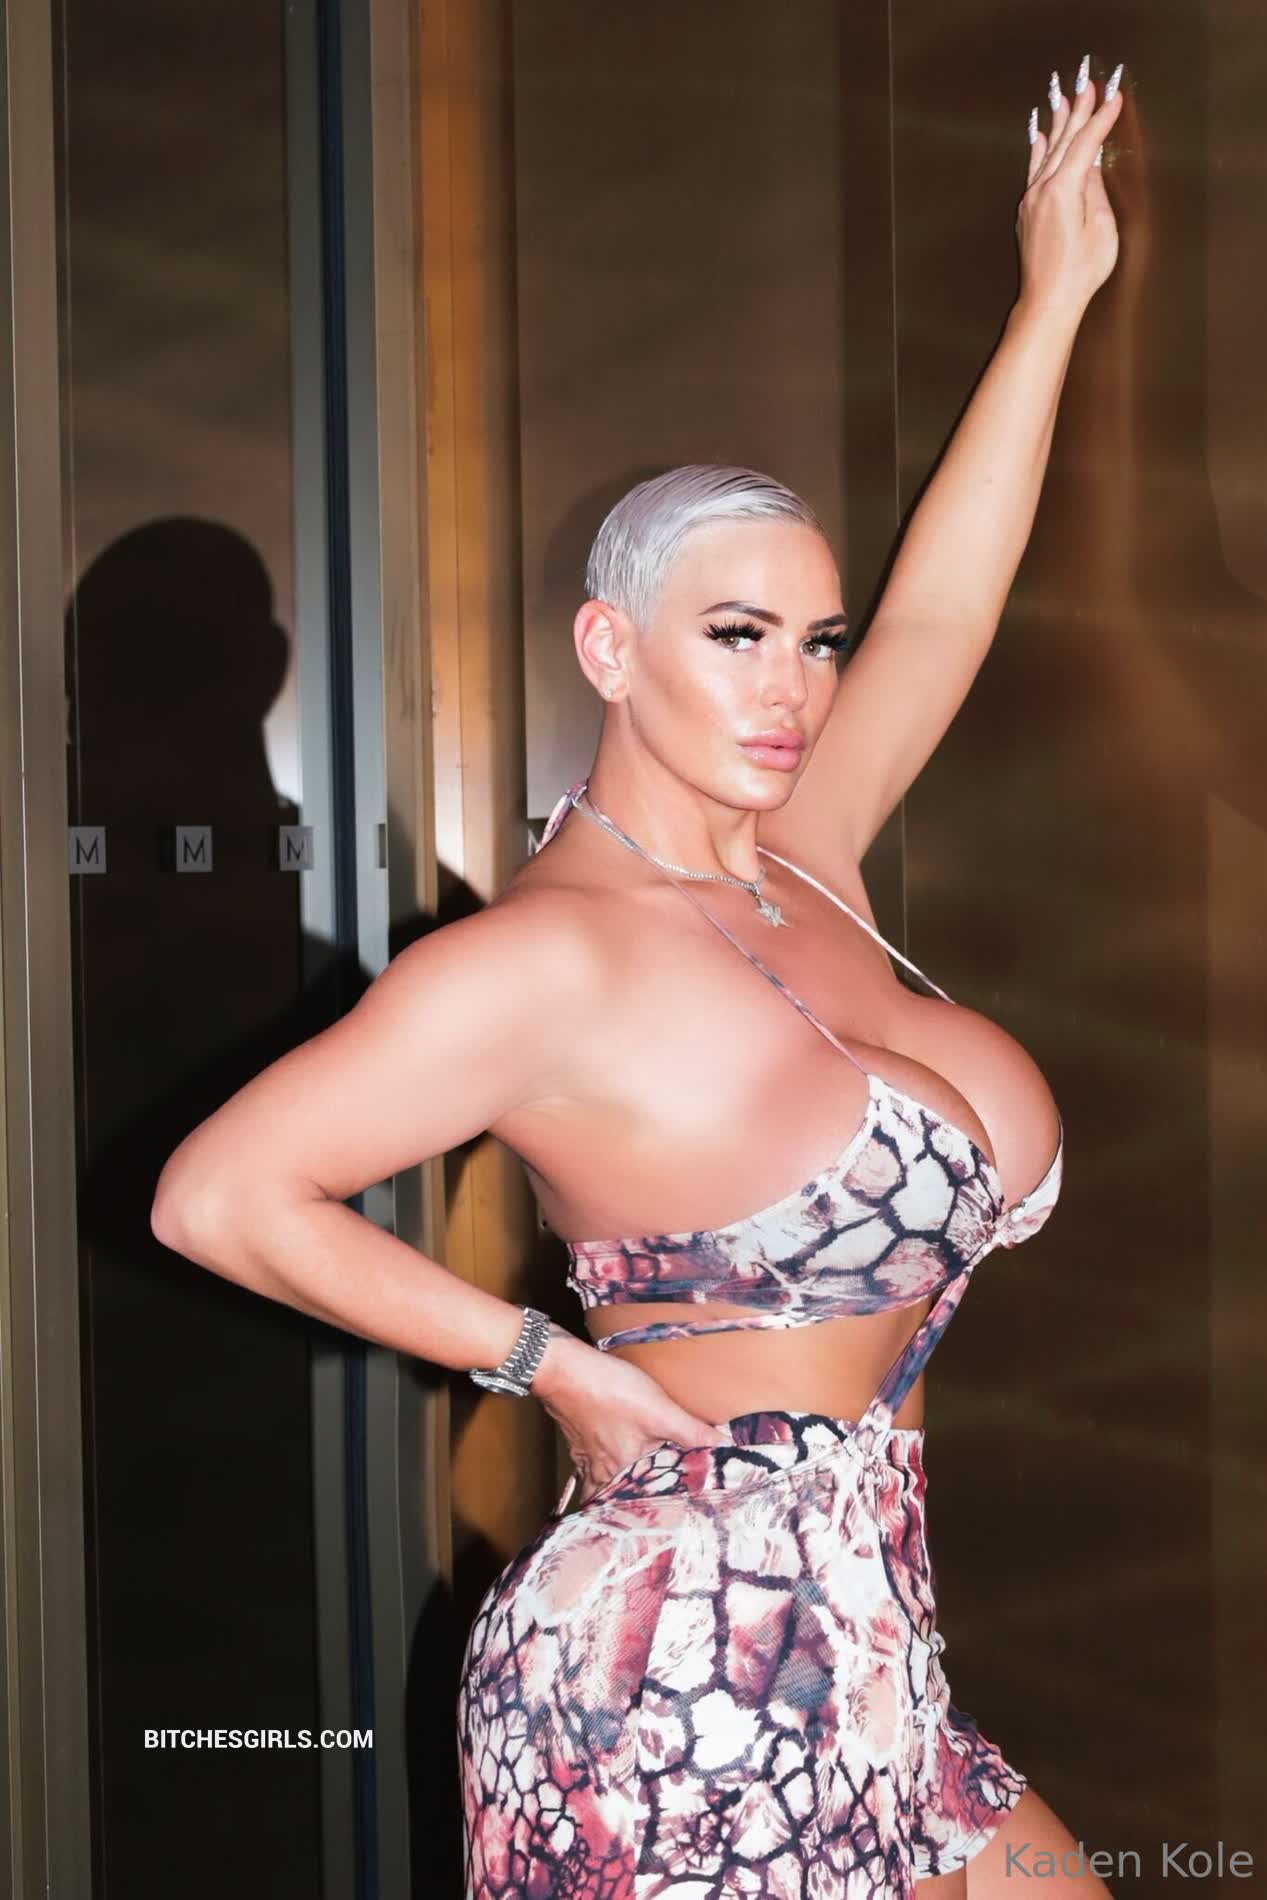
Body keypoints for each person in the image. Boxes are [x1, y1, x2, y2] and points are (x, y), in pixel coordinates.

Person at [151, 57, 1126, 1899]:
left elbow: (943, 612)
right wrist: (544, 1369)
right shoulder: (544, 962)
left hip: (881, 1670)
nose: (794, 688)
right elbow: (218, 1196)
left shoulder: (804, 857)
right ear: (609, 649)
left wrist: (1053, 298)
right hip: (673, 1691)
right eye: (736, 635)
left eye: (812, 642)